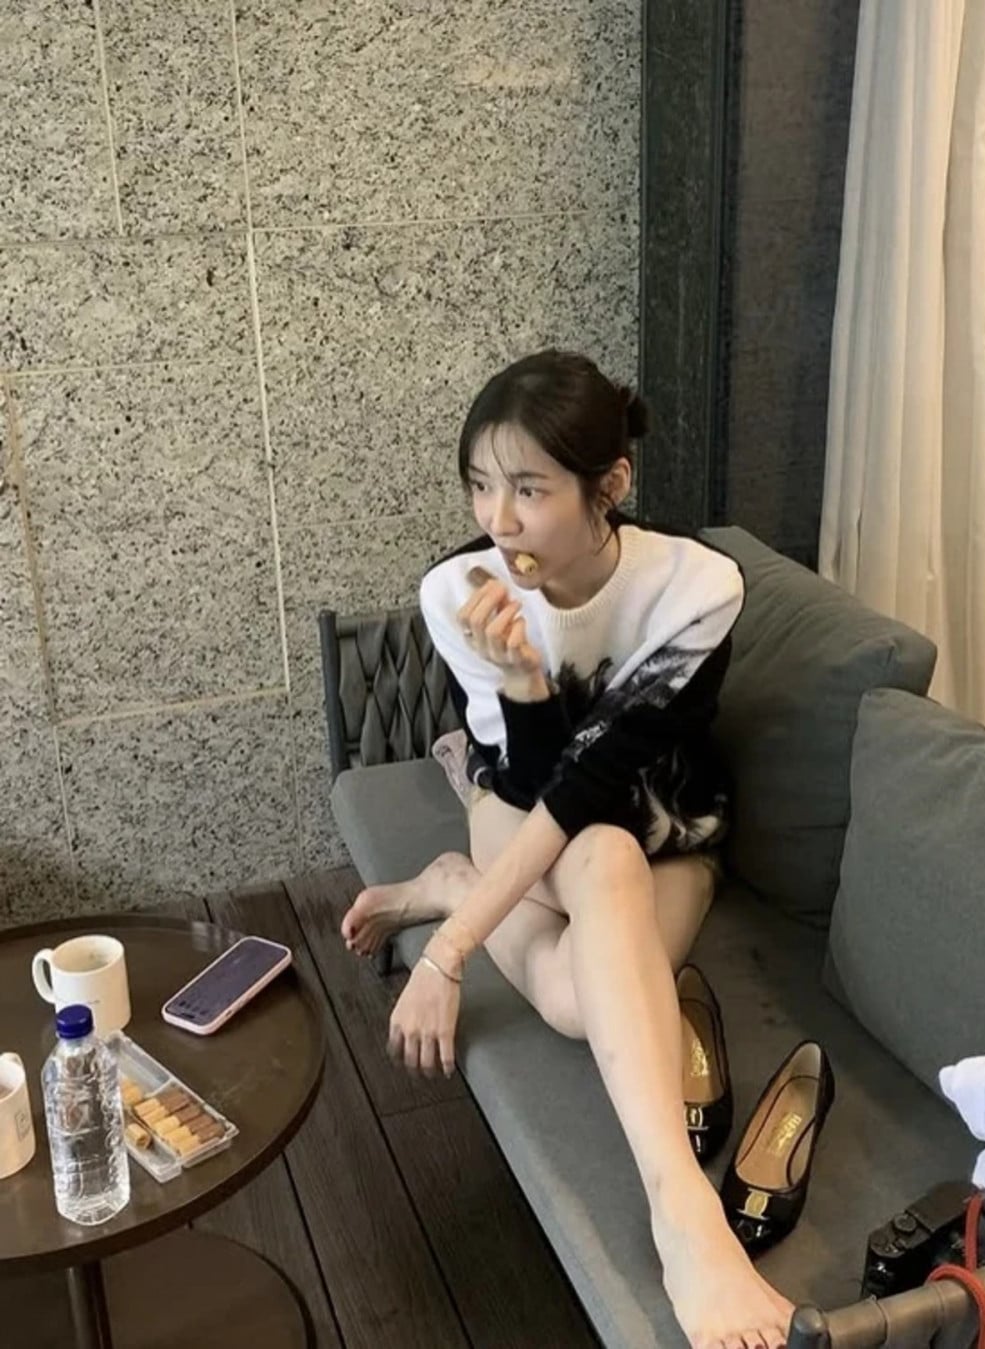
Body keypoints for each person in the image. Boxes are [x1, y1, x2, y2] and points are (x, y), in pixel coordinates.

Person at [341, 349, 793, 1349]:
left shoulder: (695, 588)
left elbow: (604, 784)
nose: (498, 520)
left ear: (609, 484)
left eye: (529, 489)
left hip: (666, 824)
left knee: (582, 1000)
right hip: (525, 812)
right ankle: (682, 1207)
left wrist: (452, 942)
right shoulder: (459, 590)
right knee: (600, 858)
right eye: (480, 485)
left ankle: (454, 886)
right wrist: (522, 685)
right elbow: (550, 792)